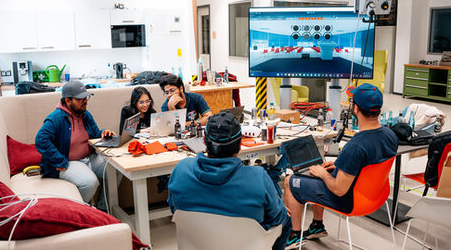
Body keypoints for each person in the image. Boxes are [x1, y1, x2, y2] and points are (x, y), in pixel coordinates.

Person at [283, 83, 398, 248]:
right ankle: (316, 226)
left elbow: (338, 189)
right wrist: (339, 165)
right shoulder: (390, 135)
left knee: (291, 180)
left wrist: (323, 174)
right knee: (320, 172)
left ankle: (293, 235)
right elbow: (368, 165)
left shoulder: (356, 146)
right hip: (377, 196)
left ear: (356, 108)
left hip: (351, 201)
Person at [168, 112, 291, 250]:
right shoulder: (258, 177)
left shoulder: (181, 170)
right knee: (285, 217)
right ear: (240, 144)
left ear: (204, 140)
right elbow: (276, 217)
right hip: (247, 244)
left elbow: (174, 208)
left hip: (198, 243)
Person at [35, 81, 116, 204]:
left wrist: (104, 133)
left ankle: (104, 207)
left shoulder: (85, 114)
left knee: (116, 168)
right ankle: (80, 212)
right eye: (80, 99)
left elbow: (94, 133)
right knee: (90, 182)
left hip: (89, 157)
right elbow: (41, 140)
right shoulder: (55, 118)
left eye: (86, 97)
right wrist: (60, 160)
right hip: (69, 162)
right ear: (67, 100)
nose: (85, 101)